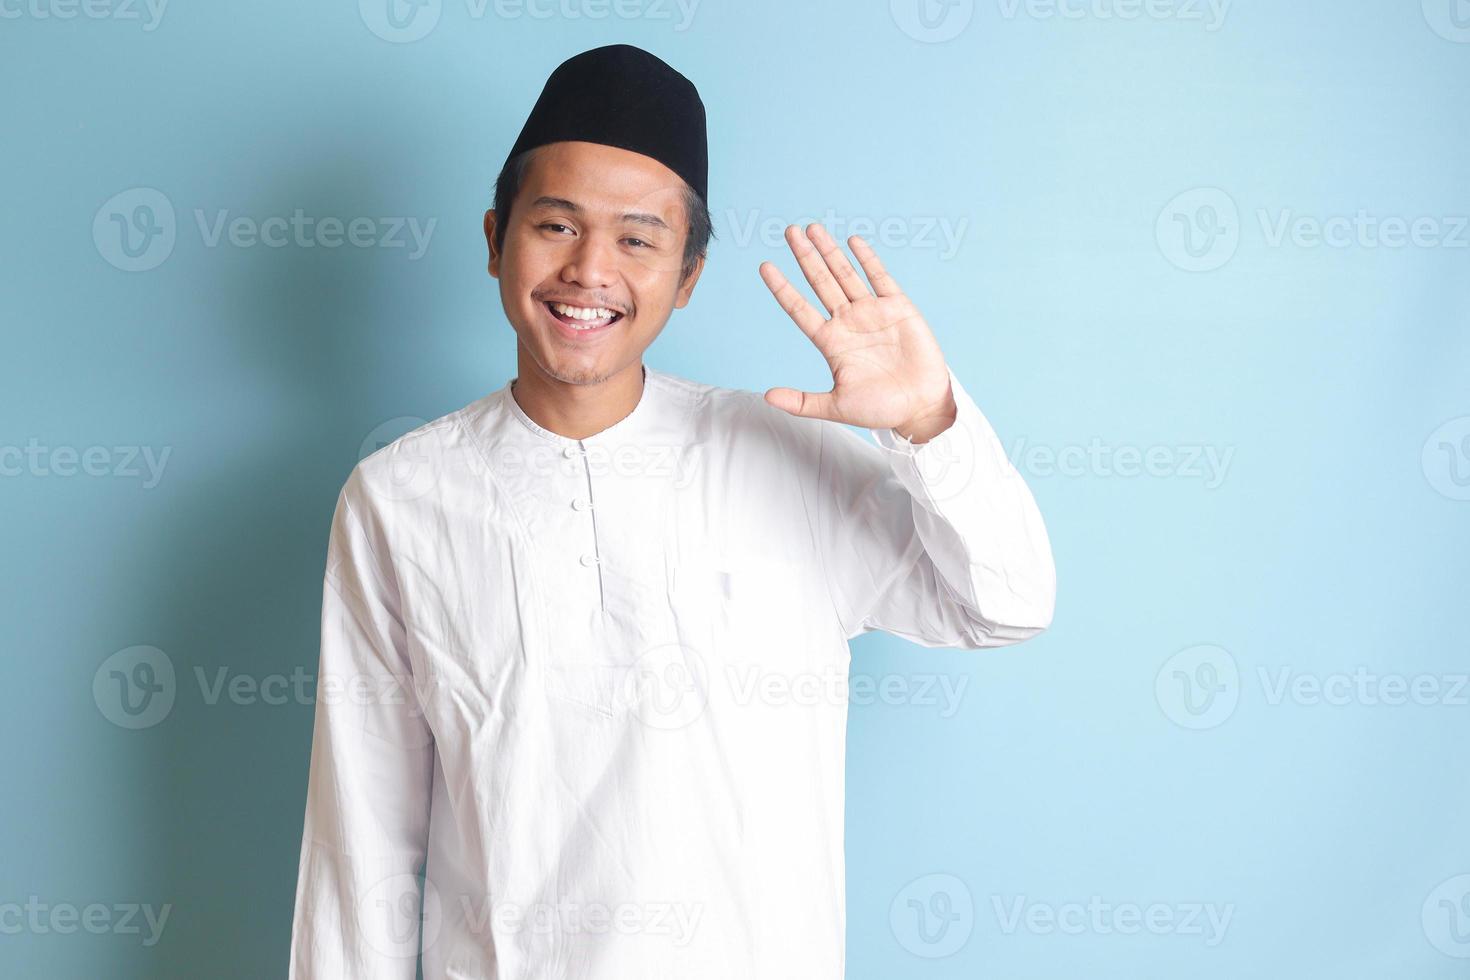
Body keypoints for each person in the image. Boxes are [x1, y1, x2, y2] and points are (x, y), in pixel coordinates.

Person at [288, 42, 1055, 980]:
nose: (591, 270)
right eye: (557, 226)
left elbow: (1006, 604)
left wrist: (930, 424)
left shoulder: (787, 457)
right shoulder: (399, 499)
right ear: (495, 240)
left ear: (686, 277)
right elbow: (359, 840)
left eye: (639, 239)